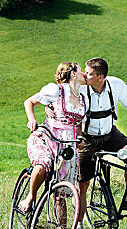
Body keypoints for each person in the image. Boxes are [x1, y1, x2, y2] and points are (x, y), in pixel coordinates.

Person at [77, 57, 127, 229]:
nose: (84, 75)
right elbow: (59, 96)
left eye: (88, 73)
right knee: (83, 184)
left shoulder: (115, 85)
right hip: (87, 139)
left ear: (100, 77)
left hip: (110, 134)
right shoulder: (81, 88)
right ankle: (79, 225)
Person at [18, 61, 87, 213]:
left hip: (66, 145)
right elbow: (29, 102)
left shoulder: (82, 98)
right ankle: (30, 196)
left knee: (60, 191)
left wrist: (80, 138)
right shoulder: (56, 91)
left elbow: (79, 123)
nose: (85, 74)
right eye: (81, 70)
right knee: (43, 165)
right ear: (73, 73)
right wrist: (32, 119)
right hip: (47, 138)